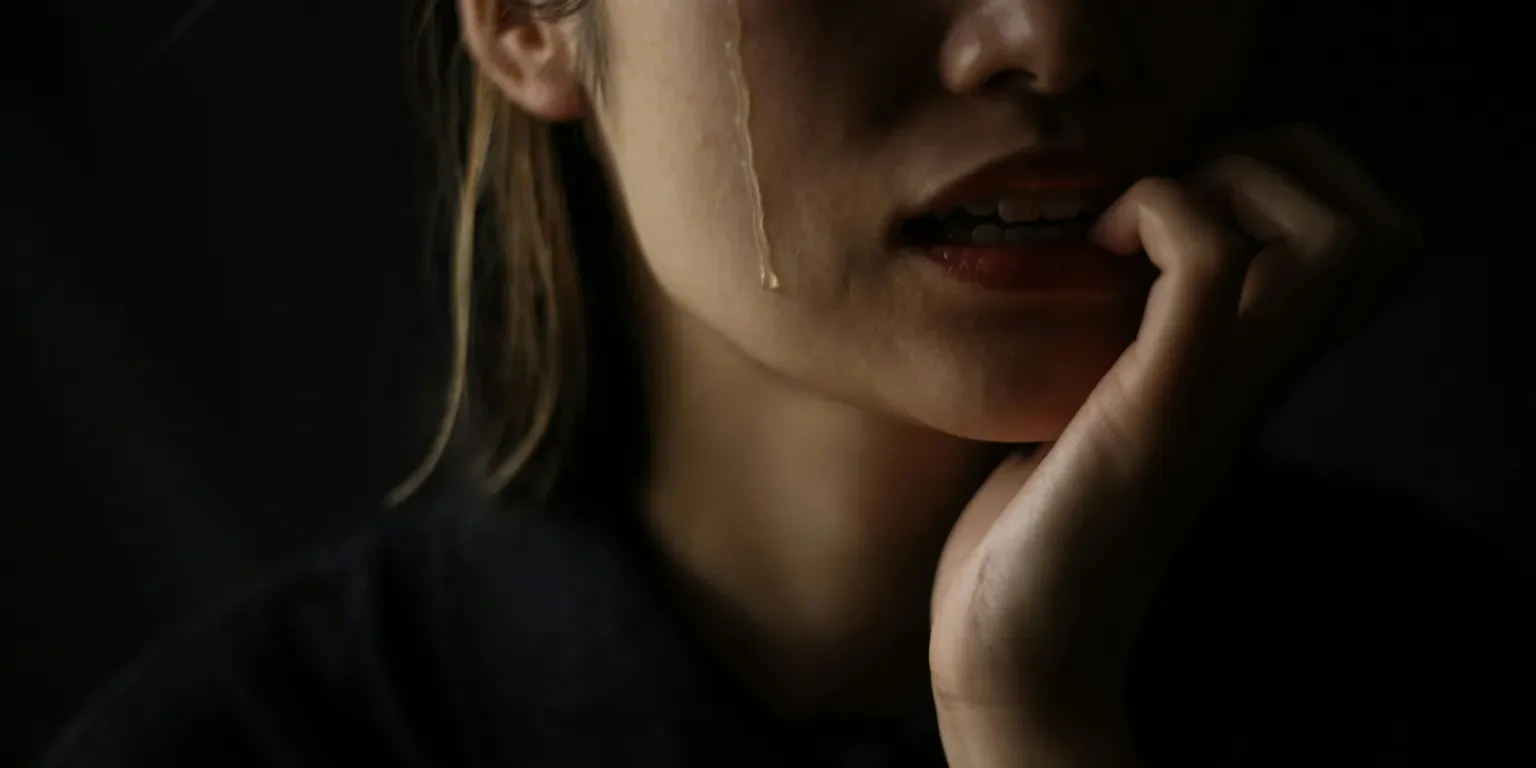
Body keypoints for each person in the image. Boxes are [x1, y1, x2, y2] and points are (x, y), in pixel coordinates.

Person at [38, 1, 1518, 766]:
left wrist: (1035, 726)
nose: (1055, 33)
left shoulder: (1447, 693)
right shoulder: (240, 756)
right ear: (527, 19)